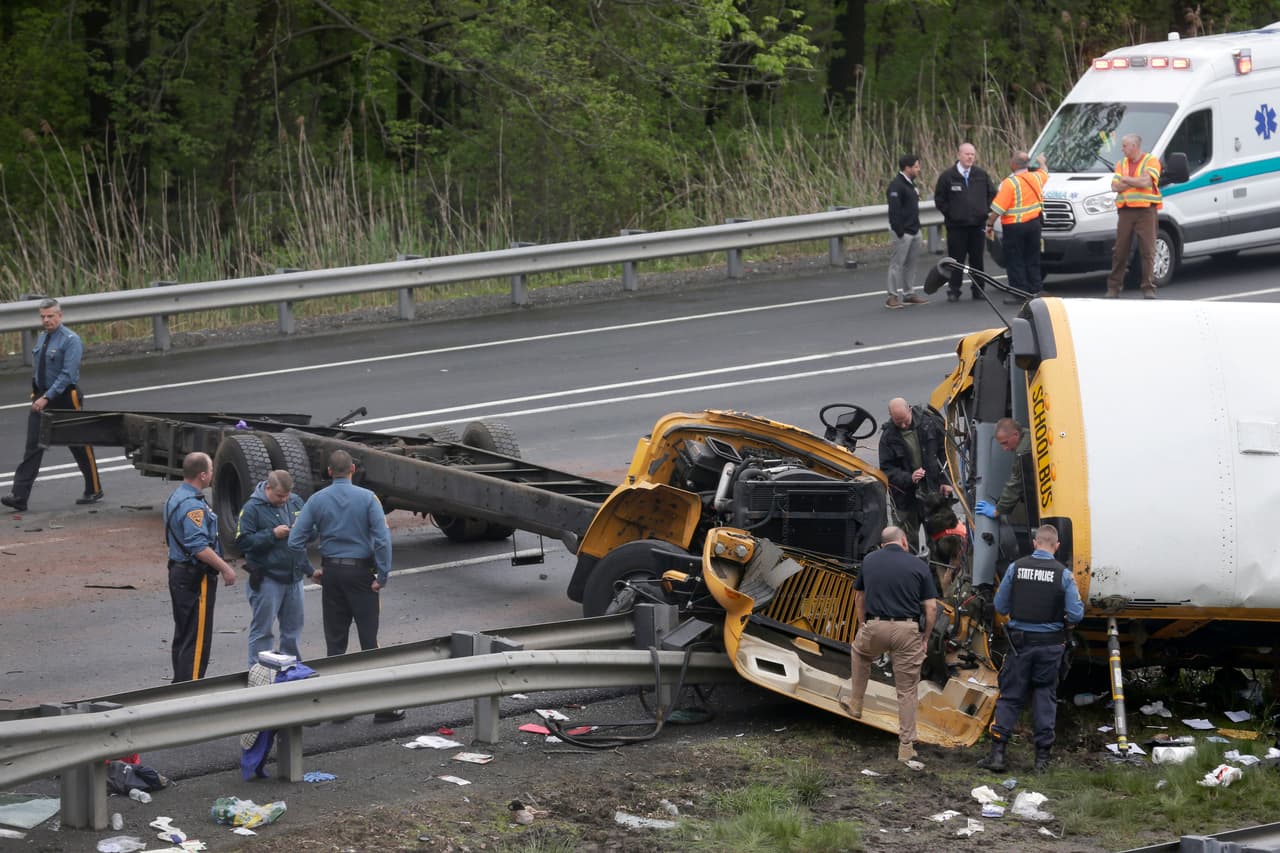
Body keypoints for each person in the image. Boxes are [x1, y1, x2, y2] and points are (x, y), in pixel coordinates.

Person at [288, 449, 403, 722]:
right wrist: (382, 575)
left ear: (329, 472)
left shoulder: (317, 500)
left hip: (331, 575)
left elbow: (294, 541)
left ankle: (339, 710)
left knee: (335, 643)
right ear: (352, 469)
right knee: (369, 642)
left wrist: (309, 571)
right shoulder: (368, 498)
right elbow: (382, 540)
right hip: (361, 575)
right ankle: (382, 708)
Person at [978, 524, 1084, 772]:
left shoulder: (1016, 568)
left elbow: (1000, 606)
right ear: (1057, 546)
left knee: (1010, 696)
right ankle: (1041, 760)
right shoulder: (1064, 574)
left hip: (1019, 645)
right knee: (1044, 696)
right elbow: (1076, 614)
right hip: (1050, 646)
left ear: (1035, 543)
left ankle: (998, 754)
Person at [842, 526, 941, 768]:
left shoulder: (869, 560)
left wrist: (863, 624)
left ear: (882, 544)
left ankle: (856, 703)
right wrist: (925, 637)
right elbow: (931, 608)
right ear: (904, 541)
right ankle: (906, 747)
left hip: (875, 626)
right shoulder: (918, 565)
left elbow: (859, 597)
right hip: (907, 630)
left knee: (860, 652)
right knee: (906, 691)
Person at [1, 298, 103, 512]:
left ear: (60, 315)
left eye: (50, 316)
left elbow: (68, 375)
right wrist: (36, 392)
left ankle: (94, 488)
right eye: (43, 317)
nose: (46, 320)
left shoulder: (71, 340)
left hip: (65, 398)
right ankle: (19, 496)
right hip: (42, 397)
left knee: (78, 443)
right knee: (33, 445)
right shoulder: (43, 338)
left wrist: (46, 397)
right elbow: (40, 368)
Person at [165, 451, 237, 682]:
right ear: (203, 475)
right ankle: (192, 687)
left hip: (180, 572)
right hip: (195, 577)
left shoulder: (178, 496)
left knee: (184, 633)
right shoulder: (192, 506)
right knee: (196, 639)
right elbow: (198, 547)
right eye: (211, 470)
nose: (213, 474)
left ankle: (180, 684)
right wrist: (225, 568)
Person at [236, 469, 313, 667]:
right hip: (267, 579)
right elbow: (243, 542)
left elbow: (312, 531)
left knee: (293, 630)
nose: (284, 500)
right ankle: (259, 672)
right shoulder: (252, 508)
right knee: (263, 631)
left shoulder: (295, 501)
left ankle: (291, 670)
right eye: (280, 496)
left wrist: (303, 530)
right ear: (268, 488)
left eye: (287, 495)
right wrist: (272, 535)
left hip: (294, 578)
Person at [878, 398, 952, 549]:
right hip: (905, 500)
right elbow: (887, 470)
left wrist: (946, 481)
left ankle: (936, 564)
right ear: (891, 417)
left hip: (932, 493)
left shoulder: (929, 423)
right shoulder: (888, 437)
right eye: (898, 422)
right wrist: (909, 478)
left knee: (939, 542)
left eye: (905, 421)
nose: (903, 425)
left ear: (910, 410)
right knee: (907, 544)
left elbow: (945, 453)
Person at [934, 142, 997, 302]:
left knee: (977, 259)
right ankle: (954, 290)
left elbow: (992, 193)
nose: (970, 157)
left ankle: (978, 290)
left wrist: (983, 210)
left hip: (977, 226)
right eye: (967, 154)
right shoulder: (948, 176)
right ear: (959, 155)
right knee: (956, 260)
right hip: (957, 227)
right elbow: (940, 199)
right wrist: (952, 214)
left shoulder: (981, 174)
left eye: (972, 154)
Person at [986, 151, 1049, 305]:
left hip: (1014, 227)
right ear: (1027, 164)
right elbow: (1045, 172)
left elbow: (998, 209)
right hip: (1034, 225)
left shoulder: (1010, 183)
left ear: (1013, 165)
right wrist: (1042, 161)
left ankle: (1019, 293)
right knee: (1032, 258)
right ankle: (1036, 290)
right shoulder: (1036, 177)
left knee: (1015, 260)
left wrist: (989, 224)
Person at [1105, 133, 1163, 299]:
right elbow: (1115, 187)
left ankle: (1148, 288)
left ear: (1134, 146)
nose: (1122, 149)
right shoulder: (1121, 163)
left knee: (1148, 250)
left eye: (1124, 146)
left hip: (1146, 210)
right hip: (1125, 211)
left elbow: (1146, 182)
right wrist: (1135, 180)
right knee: (1120, 250)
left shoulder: (1151, 161)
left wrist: (1126, 180)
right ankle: (1114, 287)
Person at [885, 153, 929, 310]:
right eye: (916, 167)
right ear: (907, 168)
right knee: (896, 264)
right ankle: (892, 296)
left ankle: (909, 293)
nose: (919, 169)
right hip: (903, 232)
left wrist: (917, 228)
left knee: (911, 264)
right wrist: (899, 231)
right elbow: (894, 210)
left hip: (915, 229)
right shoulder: (896, 185)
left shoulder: (911, 184)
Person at [975, 418, 1031, 523]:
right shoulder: (1027, 434)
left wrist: (998, 510)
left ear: (1015, 434)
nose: (1004, 448)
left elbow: (1015, 484)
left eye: (1005, 443)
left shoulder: (1023, 452)